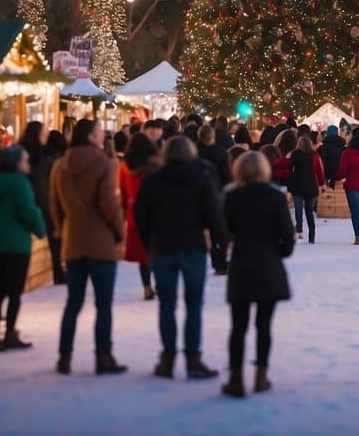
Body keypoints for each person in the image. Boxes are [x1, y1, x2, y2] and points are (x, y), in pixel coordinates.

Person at [135, 136, 228, 380]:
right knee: (193, 305)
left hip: (162, 247)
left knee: (166, 305)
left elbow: (141, 215)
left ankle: (167, 359)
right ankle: (193, 358)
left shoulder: (153, 179)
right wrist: (221, 241)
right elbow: (213, 213)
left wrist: (149, 244)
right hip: (192, 247)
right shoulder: (201, 177)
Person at [53, 119, 128, 375]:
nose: (102, 135)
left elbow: (54, 204)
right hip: (100, 242)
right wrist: (119, 231)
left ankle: (64, 356)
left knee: (73, 302)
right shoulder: (103, 163)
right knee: (103, 303)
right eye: (98, 132)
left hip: (73, 240)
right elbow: (108, 202)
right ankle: (103, 356)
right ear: (90, 136)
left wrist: (63, 228)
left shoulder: (60, 165)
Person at [219, 152, 294, 398]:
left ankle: (236, 377)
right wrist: (280, 251)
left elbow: (223, 231)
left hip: (242, 263)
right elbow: (287, 234)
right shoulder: (275, 196)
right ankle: (261, 375)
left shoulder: (231, 196)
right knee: (264, 326)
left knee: (238, 327)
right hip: (268, 263)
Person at [0, 145, 46, 353]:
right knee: (14, 291)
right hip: (16, 242)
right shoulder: (20, 183)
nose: (28, 164)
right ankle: (9, 332)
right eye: (25, 160)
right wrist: (40, 229)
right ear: (17, 163)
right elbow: (28, 210)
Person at [119, 132, 162, 303]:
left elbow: (121, 193)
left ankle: (146, 287)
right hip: (156, 211)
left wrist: (122, 215)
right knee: (158, 248)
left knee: (143, 253)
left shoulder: (124, 167)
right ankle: (160, 283)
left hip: (133, 211)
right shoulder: (156, 165)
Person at [31, 130, 69, 286]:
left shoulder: (46, 159)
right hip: (49, 204)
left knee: (56, 239)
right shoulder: (53, 161)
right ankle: (58, 271)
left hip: (45, 202)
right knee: (56, 239)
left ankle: (59, 270)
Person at [335, 129, 359, 245]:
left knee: (355, 212)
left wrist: (335, 177)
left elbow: (342, 171)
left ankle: (358, 236)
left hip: (352, 185)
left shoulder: (347, 154)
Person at [288, 136, 325, 244]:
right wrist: (322, 183)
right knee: (309, 212)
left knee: (298, 209)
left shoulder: (295, 155)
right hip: (311, 186)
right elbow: (319, 171)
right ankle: (312, 236)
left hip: (298, 185)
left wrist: (289, 181)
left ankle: (299, 229)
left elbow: (289, 168)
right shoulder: (315, 155)